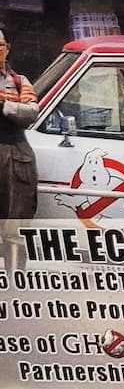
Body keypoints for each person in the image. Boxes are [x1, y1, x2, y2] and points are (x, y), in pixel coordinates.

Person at [0, 25, 38, 270]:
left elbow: (32, 111)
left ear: (7, 49)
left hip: (15, 155)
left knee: (16, 227)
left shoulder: (19, 81)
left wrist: (4, 105)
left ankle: (16, 290)